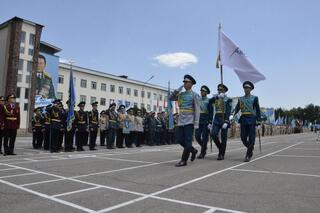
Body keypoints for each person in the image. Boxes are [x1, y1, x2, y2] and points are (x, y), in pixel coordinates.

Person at [170, 75, 200, 167]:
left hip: (190, 121)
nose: (185, 84)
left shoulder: (195, 95)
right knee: (179, 139)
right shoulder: (181, 95)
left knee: (187, 141)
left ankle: (183, 160)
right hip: (181, 120)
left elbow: (197, 109)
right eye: (184, 82)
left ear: (191, 84)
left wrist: (196, 122)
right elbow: (170, 98)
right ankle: (193, 150)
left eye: (187, 82)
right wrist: (176, 91)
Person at [233, 81, 261, 162]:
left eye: (248, 88)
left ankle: (248, 154)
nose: (246, 89)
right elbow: (237, 108)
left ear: (251, 89)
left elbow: (258, 110)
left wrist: (259, 121)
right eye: (245, 88)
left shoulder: (254, 98)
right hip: (244, 119)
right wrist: (232, 115)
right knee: (243, 138)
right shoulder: (241, 99)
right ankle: (250, 148)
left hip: (252, 119)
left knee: (252, 138)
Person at [208, 84, 232, 160]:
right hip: (217, 117)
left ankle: (221, 154)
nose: (219, 91)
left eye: (221, 89)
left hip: (224, 117)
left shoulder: (228, 99)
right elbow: (209, 101)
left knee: (224, 137)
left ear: (224, 90)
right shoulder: (216, 98)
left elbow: (228, 111)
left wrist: (226, 121)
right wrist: (217, 97)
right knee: (213, 134)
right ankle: (220, 147)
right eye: (218, 89)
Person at [195, 85, 210, 159]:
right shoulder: (198, 100)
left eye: (203, 91)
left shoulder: (209, 100)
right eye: (201, 91)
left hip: (206, 120)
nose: (202, 92)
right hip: (199, 119)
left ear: (206, 92)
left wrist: (210, 122)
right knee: (197, 136)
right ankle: (204, 147)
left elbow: (211, 111)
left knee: (205, 137)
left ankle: (202, 152)